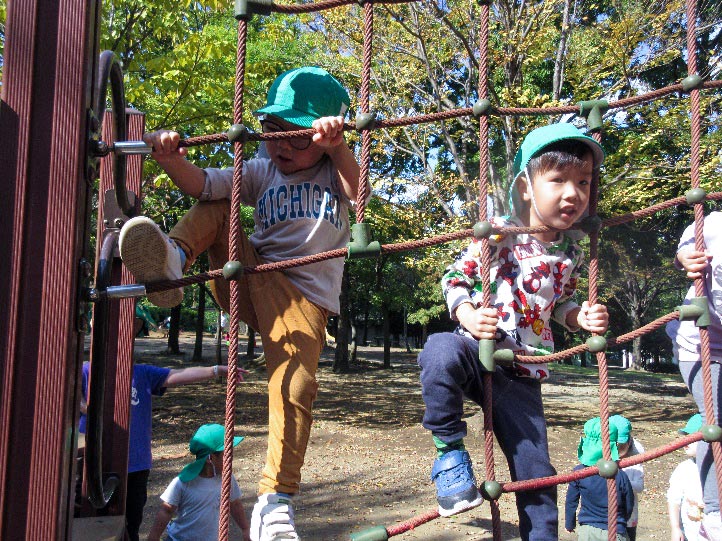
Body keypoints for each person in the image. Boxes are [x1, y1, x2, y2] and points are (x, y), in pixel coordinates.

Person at [117, 66, 360, 541]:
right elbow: (200, 184)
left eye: (297, 136)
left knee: (295, 386)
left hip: (303, 301)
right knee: (218, 200)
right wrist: (170, 158)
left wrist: (340, 147)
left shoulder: (335, 173)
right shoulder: (262, 169)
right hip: (250, 277)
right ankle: (173, 258)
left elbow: (361, 193)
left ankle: (276, 500)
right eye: (273, 133)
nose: (282, 146)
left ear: (324, 135)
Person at [417, 122, 609, 539]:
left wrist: (580, 317)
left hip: (521, 371)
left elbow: (559, 304)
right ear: (526, 188)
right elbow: (456, 276)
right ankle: (449, 455)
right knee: (438, 351)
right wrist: (466, 313)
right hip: (477, 350)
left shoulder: (570, 249)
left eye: (583, 182)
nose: (572, 193)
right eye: (557, 180)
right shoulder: (499, 231)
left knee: (537, 474)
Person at [79, 361, 240, 541]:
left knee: (131, 521)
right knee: (93, 519)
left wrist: (215, 371)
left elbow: (175, 375)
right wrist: (85, 407)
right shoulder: (87, 369)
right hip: (96, 460)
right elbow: (65, 385)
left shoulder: (141, 373)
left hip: (137, 463)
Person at [666, 210, 722, 538]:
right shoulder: (713, 223)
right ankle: (715, 513)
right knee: (715, 422)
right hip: (699, 345)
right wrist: (685, 258)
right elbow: (683, 251)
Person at [147, 423, 251, 541]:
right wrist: (153, 537)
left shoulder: (227, 478)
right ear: (210, 458)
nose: (230, 459)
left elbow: (235, 504)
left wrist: (245, 529)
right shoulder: (183, 482)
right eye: (226, 455)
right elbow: (166, 510)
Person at [565, 417, 635, 540]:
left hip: (588, 531)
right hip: (615, 530)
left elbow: (571, 501)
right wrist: (622, 521)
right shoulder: (620, 475)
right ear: (613, 445)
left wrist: (569, 524)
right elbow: (629, 503)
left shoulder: (579, 472)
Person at [668, 413, 705, 541]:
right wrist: (675, 527)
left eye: (692, 438)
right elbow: (674, 500)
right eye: (685, 436)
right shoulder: (683, 469)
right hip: (689, 533)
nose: (686, 442)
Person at [610, 415, 645, 541]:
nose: (618, 450)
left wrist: (622, 483)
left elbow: (640, 486)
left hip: (628, 512)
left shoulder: (637, 451)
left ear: (629, 440)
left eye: (621, 445)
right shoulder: (600, 450)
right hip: (604, 512)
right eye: (614, 445)